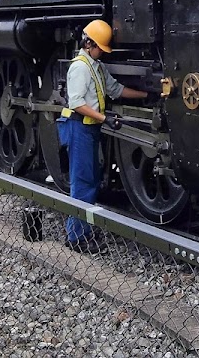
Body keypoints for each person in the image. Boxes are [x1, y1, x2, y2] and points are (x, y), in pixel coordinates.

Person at [58, 19, 147, 252]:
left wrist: (144, 94)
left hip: (90, 128)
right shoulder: (79, 67)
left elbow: (115, 89)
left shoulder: (96, 66)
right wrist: (104, 118)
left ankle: (83, 230)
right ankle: (76, 237)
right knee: (82, 182)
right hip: (79, 128)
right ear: (89, 44)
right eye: (100, 48)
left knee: (92, 179)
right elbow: (76, 103)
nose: (102, 52)